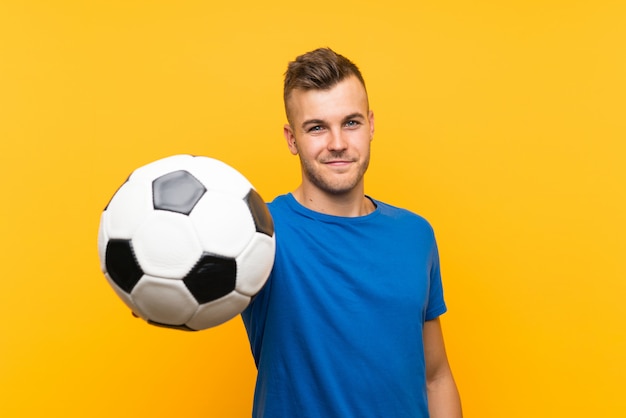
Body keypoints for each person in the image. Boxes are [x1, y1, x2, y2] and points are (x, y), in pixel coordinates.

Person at [241, 47, 462, 418]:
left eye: (351, 122)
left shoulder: (415, 235)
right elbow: (189, 278)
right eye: (316, 127)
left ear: (371, 125)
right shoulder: (260, 232)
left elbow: (435, 376)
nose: (338, 143)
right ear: (291, 138)